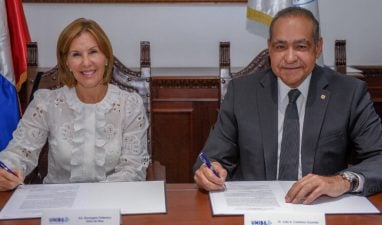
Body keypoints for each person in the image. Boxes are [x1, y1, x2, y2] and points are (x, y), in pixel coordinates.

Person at [193, 6, 382, 204]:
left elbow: (379, 157)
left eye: (301, 47)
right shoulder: (241, 93)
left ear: (318, 47)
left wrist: (341, 181)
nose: (290, 58)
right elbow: (211, 158)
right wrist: (209, 171)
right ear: (270, 48)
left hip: (321, 208)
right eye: (280, 47)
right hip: (255, 210)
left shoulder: (349, 93)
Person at [0, 18, 150, 191]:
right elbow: (20, 152)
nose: (86, 62)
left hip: (112, 201)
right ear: (66, 63)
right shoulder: (46, 103)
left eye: (93, 52)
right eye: (76, 54)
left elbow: (133, 169)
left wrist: (92, 198)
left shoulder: (129, 105)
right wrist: (7, 170)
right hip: (57, 204)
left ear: (106, 57)